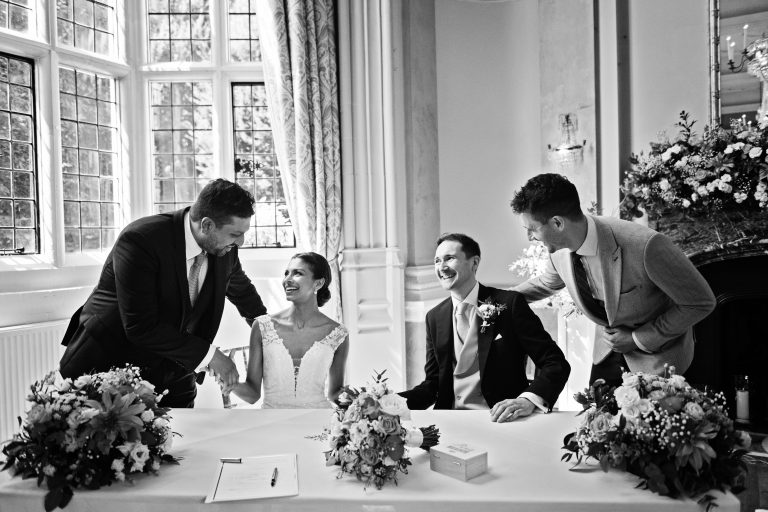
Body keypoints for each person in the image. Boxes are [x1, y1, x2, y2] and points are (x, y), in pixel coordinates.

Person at [59, 179, 267, 407]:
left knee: (184, 440)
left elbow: (242, 291)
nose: (241, 242)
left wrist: (272, 334)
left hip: (176, 374)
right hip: (108, 371)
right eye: (235, 234)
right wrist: (212, 356)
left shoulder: (224, 249)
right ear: (206, 225)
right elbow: (141, 326)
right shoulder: (142, 240)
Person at [511, 173, 716, 386]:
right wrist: (493, 299)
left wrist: (637, 339)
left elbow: (700, 302)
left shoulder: (646, 245)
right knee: (594, 417)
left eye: (532, 229)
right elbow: (547, 283)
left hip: (658, 359)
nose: (530, 238)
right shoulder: (557, 250)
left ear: (557, 223)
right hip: (605, 354)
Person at [399, 233, 570, 422]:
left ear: (474, 263)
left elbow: (555, 363)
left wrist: (527, 400)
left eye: (450, 258)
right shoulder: (434, 317)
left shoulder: (509, 305)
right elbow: (432, 386)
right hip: (451, 421)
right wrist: (389, 403)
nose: (442, 267)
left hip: (500, 420)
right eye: (437, 261)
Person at [227, 252, 349, 408]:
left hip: (319, 422)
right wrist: (228, 378)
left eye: (298, 273)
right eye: (286, 273)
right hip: (271, 422)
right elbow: (252, 395)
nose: (287, 280)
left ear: (318, 284)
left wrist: (366, 401)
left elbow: (335, 394)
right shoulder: (262, 326)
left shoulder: (338, 333)